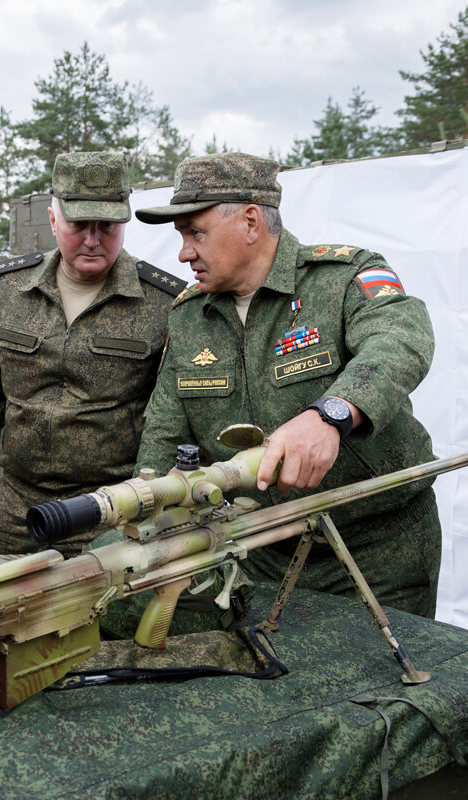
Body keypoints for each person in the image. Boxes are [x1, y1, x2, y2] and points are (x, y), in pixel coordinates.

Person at [132, 152, 441, 617]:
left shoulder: (341, 279)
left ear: (251, 222)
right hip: (259, 556)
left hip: (377, 550)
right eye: (181, 236)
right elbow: (164, 432)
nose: (183, 252)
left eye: (196, 232)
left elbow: (401, 341)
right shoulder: (190, 315)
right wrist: (149, 512)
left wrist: (331, 414)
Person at [0, 151, 185, 557]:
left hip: (113, 512)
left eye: (108, 226)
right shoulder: (9, 291)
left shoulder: (161, 302)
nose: (93, 239)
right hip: (18, 511)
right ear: (53, 220)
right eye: (79, 225)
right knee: (8, 617)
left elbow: (169, 418)